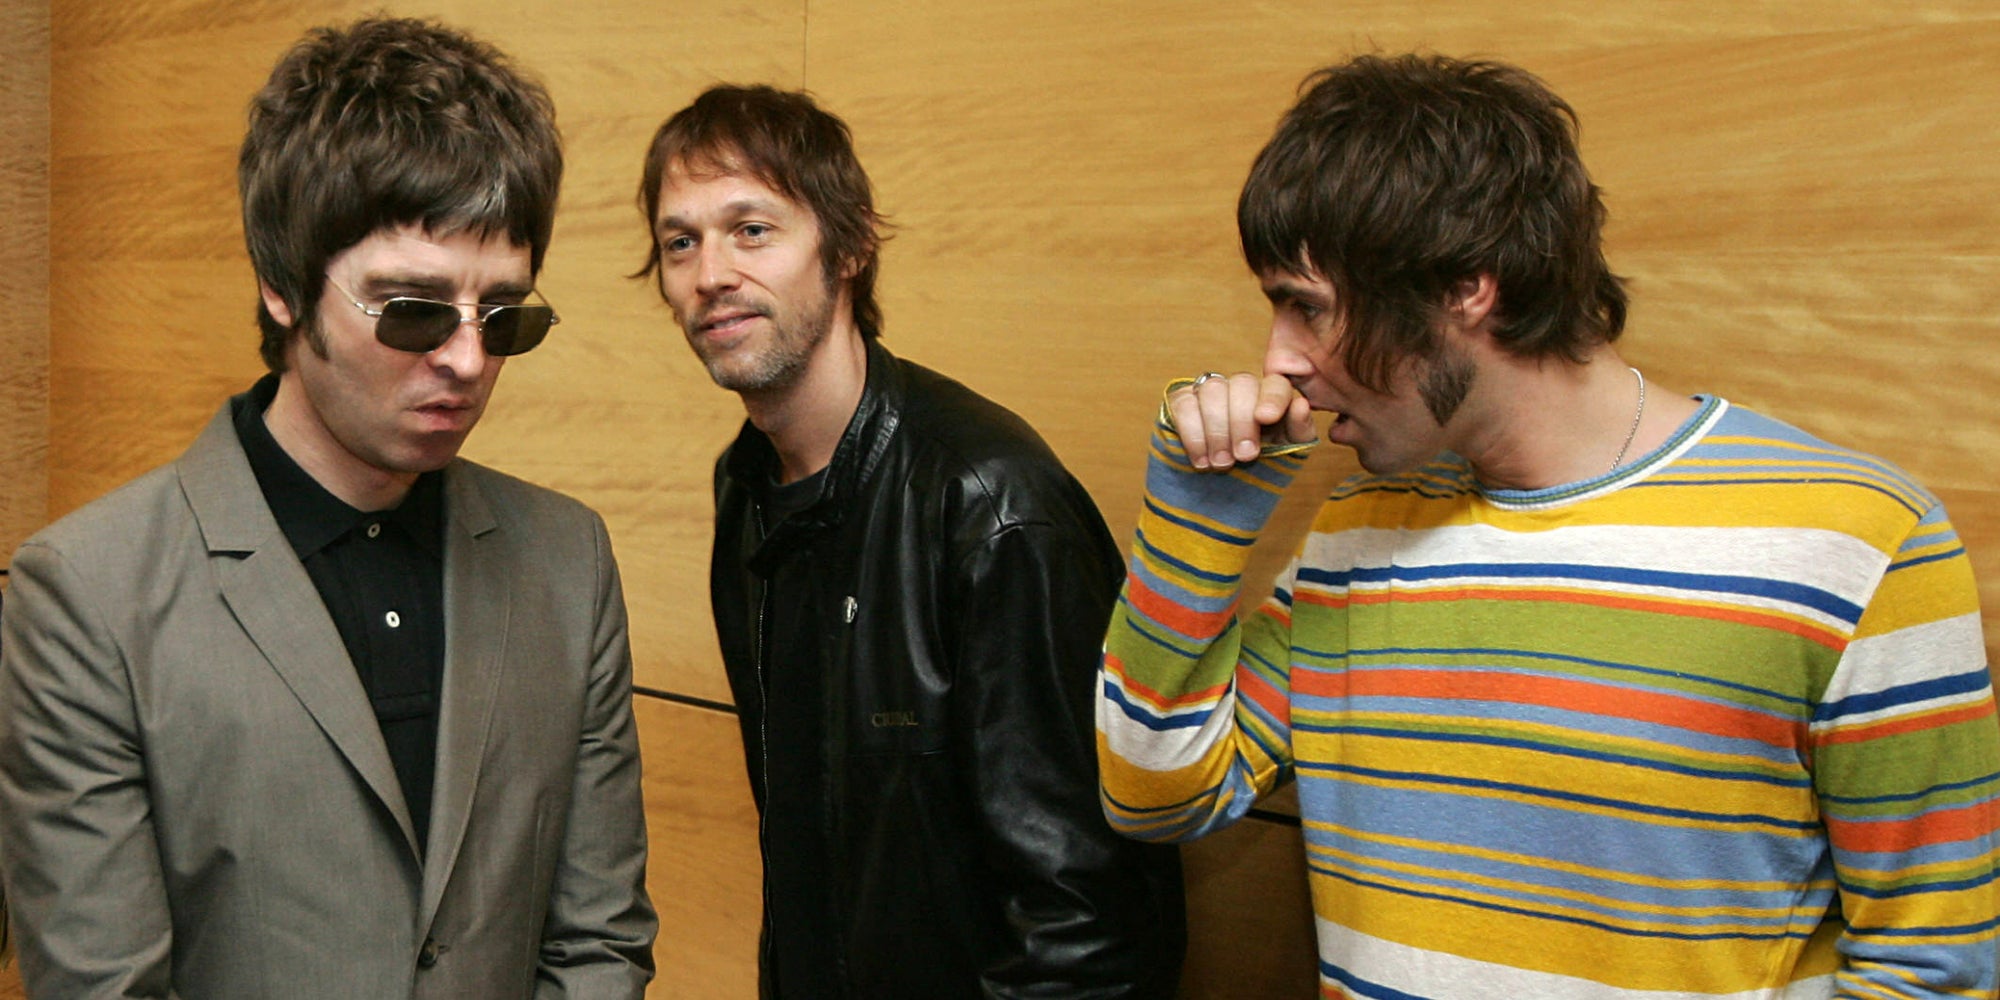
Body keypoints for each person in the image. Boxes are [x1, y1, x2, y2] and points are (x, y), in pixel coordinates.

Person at [1097, 53, 1999, 999]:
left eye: (1306, 306)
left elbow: (1929, 972)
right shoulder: (1359, 529)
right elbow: (1156, 795)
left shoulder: (1859, 545)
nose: (1279, 360)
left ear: (1465, 287)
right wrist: (1197, 518)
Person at [0, 17, 657, 997]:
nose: (468, 361)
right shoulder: (87, 594)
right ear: (282, 284)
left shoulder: (565, 559)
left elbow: (597, 944)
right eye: (414, 310)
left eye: (505, 315)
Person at [636, 85, 1185, 998]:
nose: (710, 274)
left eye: (752, 230)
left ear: (848, 248)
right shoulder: (747, 487)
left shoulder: (990, 506)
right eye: (679, 241)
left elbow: (1092, 927)